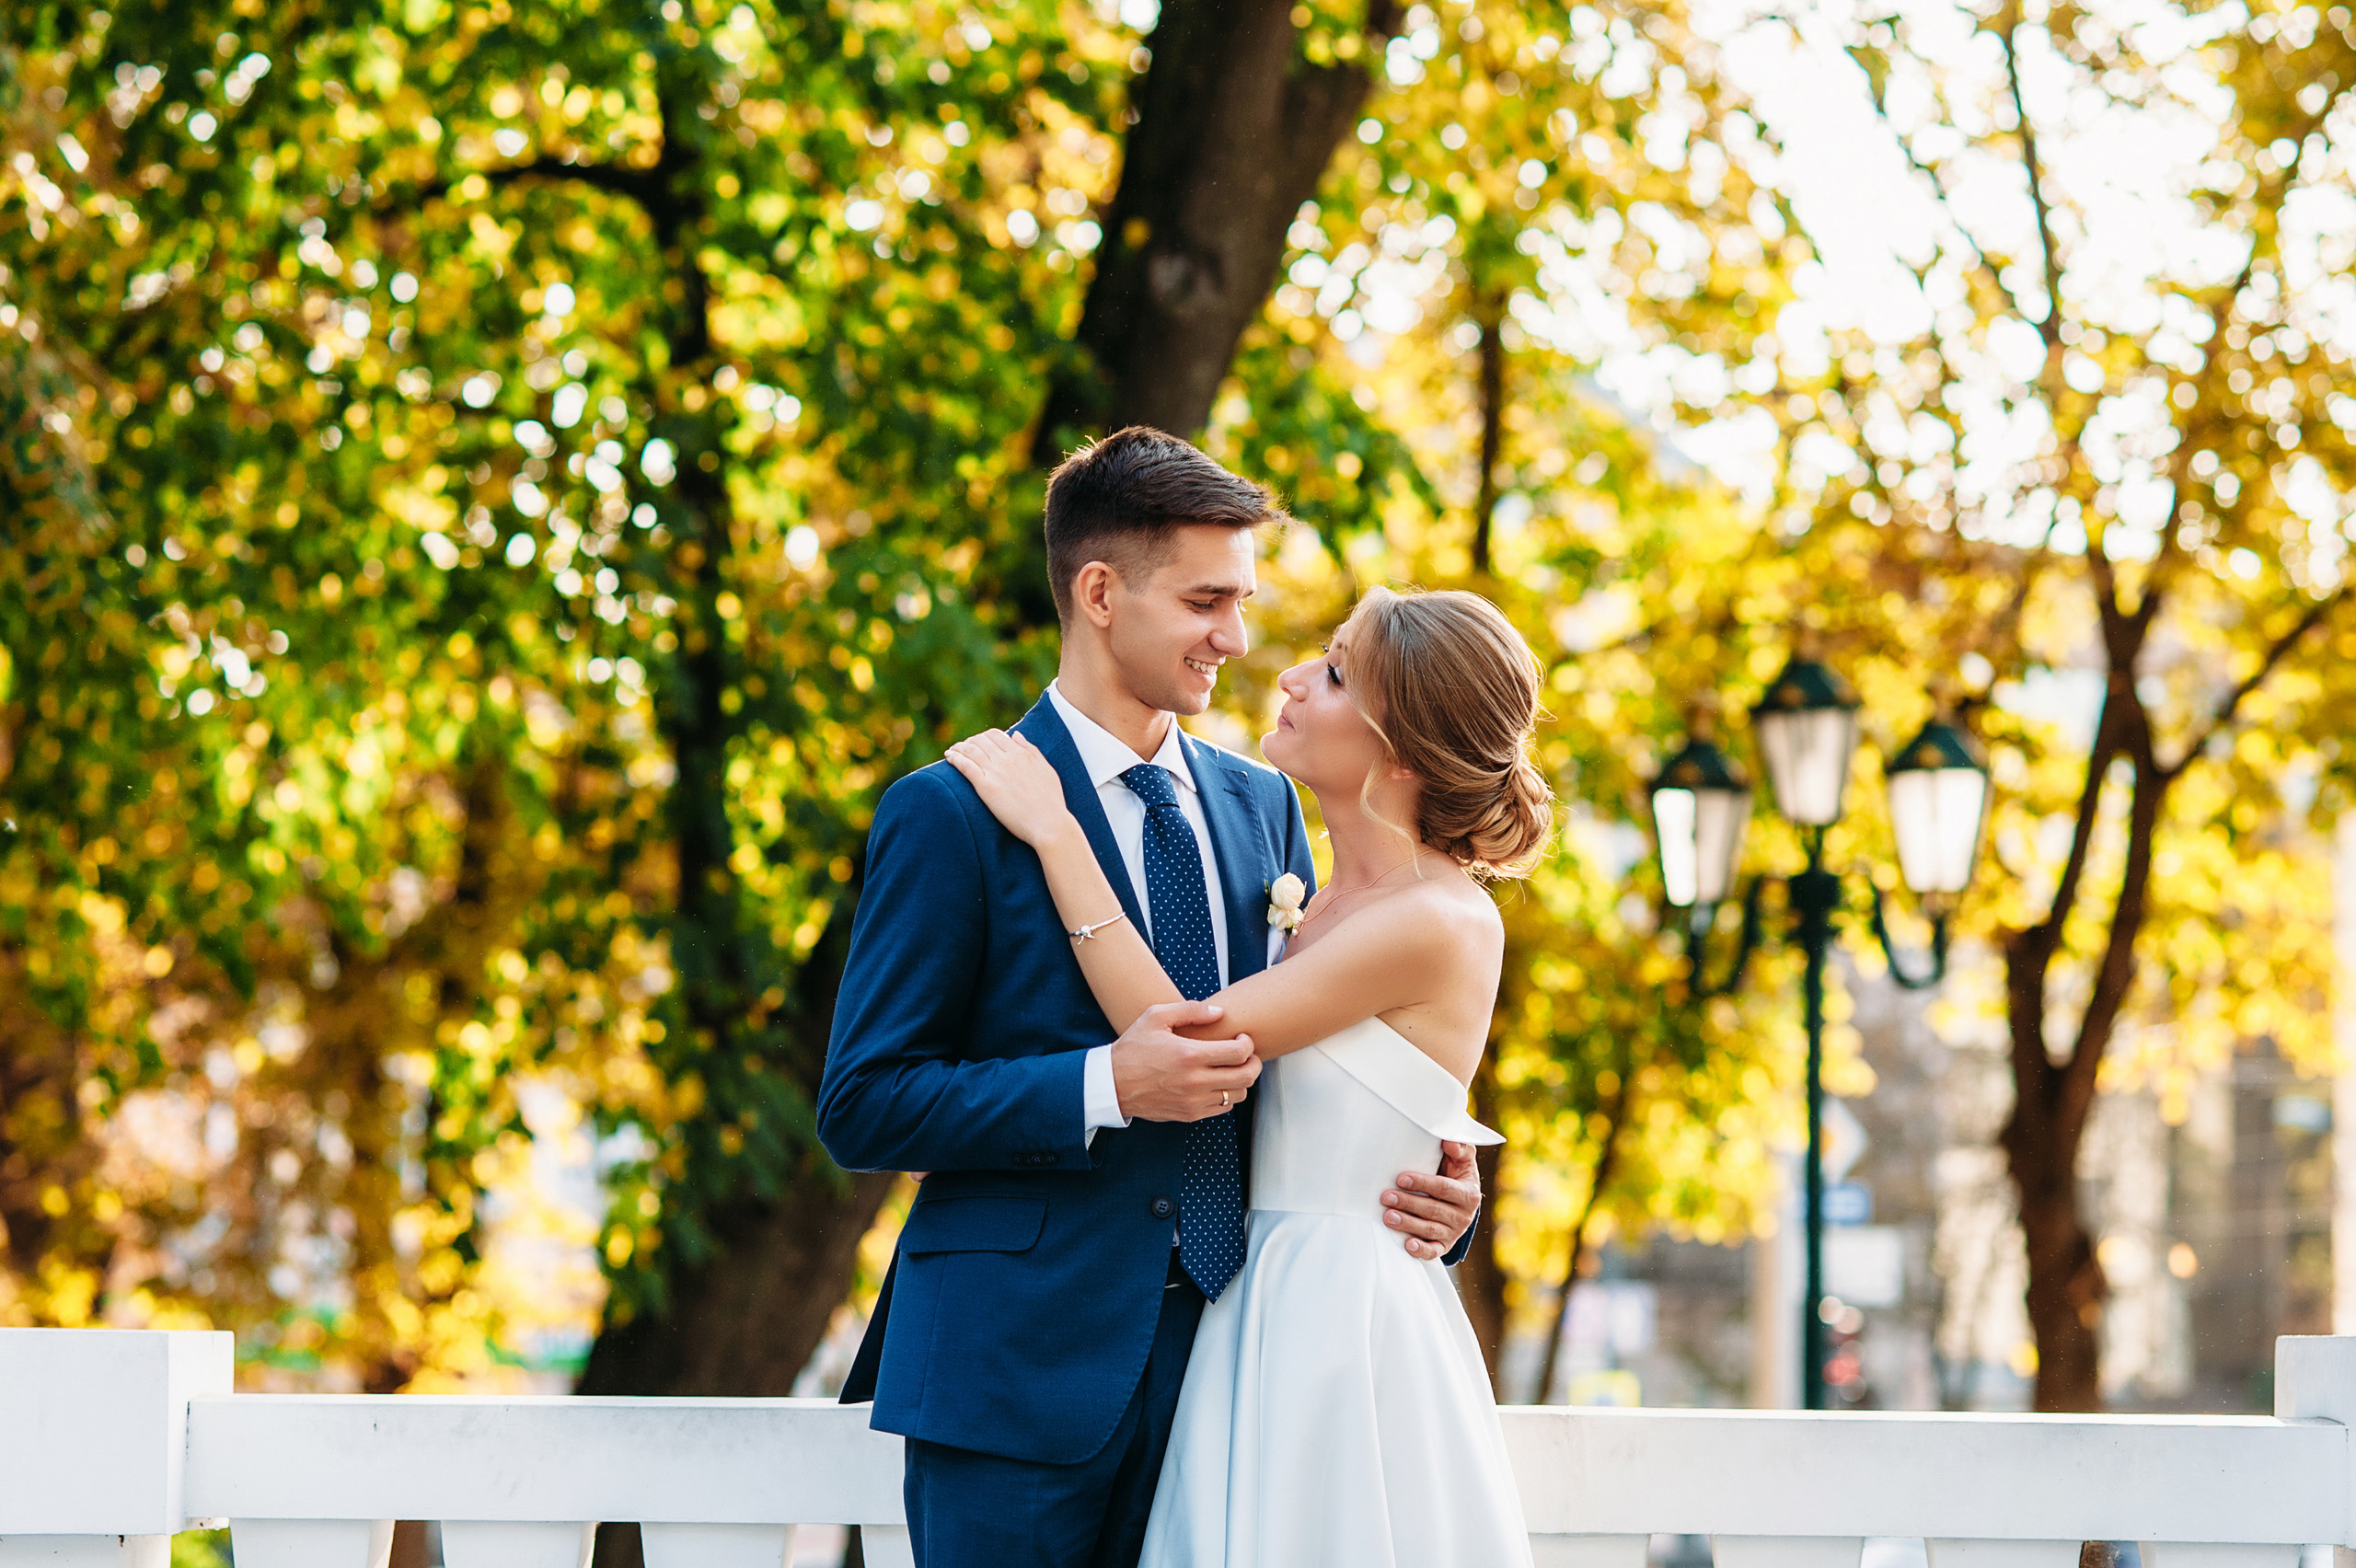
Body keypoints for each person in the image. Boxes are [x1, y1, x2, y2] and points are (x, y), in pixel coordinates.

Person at [814, 427, 1484, 1568]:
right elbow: (866, 1102)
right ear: (1099, 593)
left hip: (1236, 1381)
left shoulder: (1265, 807)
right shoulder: (954, 810)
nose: (1235, 636)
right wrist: (1099, 1085)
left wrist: (1428, 1181)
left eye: (1243, 600)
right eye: (1206, 601)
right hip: (1016, 1377)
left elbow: (1317, 1054)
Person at [944, 582, 1548, 1567]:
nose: (1298, 676)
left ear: (1401, 752)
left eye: (1341, 674)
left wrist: (1058, 834)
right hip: (1248, 1301)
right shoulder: (1308, 890)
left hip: (1336, 1324)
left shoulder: (1435, 918)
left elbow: (1182, 1035)